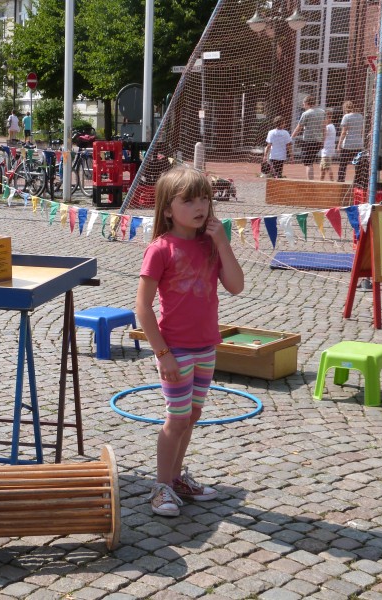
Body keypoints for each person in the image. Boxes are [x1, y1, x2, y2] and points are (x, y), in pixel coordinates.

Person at [135, 167, 244, 517]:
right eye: (189, 201)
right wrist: (163, 354)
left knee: (192, 415)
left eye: (204, 199)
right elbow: (142, 308)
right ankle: (161, 487)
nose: (200, 207)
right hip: (175, 349)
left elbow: (236, 286)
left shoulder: (209, 245)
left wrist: (222, 242)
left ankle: (176, 479)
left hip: (206, 346)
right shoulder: (160, 249)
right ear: (168, 209)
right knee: (177, 418)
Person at [291, 95, 326, 181]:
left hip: (308, 141)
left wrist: (291, 137)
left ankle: (310, 182)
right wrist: (323, 141)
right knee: (311, 162)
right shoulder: (322, 112)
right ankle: (311, 180)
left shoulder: (306, 114)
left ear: (307, 103)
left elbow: (298, 128)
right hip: (318, 141)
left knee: (308, 164)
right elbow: (324, 128)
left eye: (303, 104)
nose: (303, 106)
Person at [336, 100, 364, 182]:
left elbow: (344, 132)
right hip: (358, 144)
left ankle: (340, 181)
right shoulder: (360, 116)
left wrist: (339, 144)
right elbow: (361, 130)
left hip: (348, 144)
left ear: (345, 108)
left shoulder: (346, 117)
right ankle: (358, 181)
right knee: (357, 164)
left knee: (343, 164)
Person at [319, 108, 336, 181]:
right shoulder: (332, 126)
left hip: (327, 151)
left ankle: (332, 181)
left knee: (328, 168)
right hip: (328, 150)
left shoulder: (328, 127)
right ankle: (321, 181)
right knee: (322, 168)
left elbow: (323, 136)